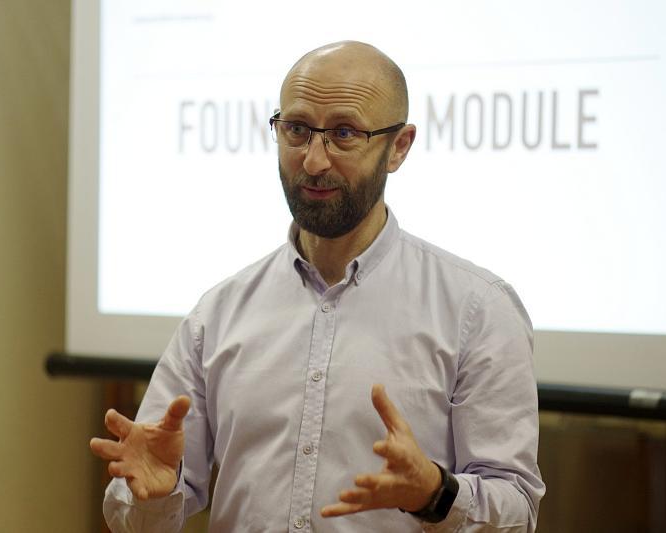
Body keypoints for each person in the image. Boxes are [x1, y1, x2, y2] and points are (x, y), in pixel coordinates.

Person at [91, 41, 545, 532]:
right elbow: (138, 512)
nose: (312, 161)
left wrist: (435, 494)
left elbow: (517, 511)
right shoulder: (218, 314)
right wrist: (156, 496)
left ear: (399, 147)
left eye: (344, 133)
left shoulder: (477, 310)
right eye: (297, 130)